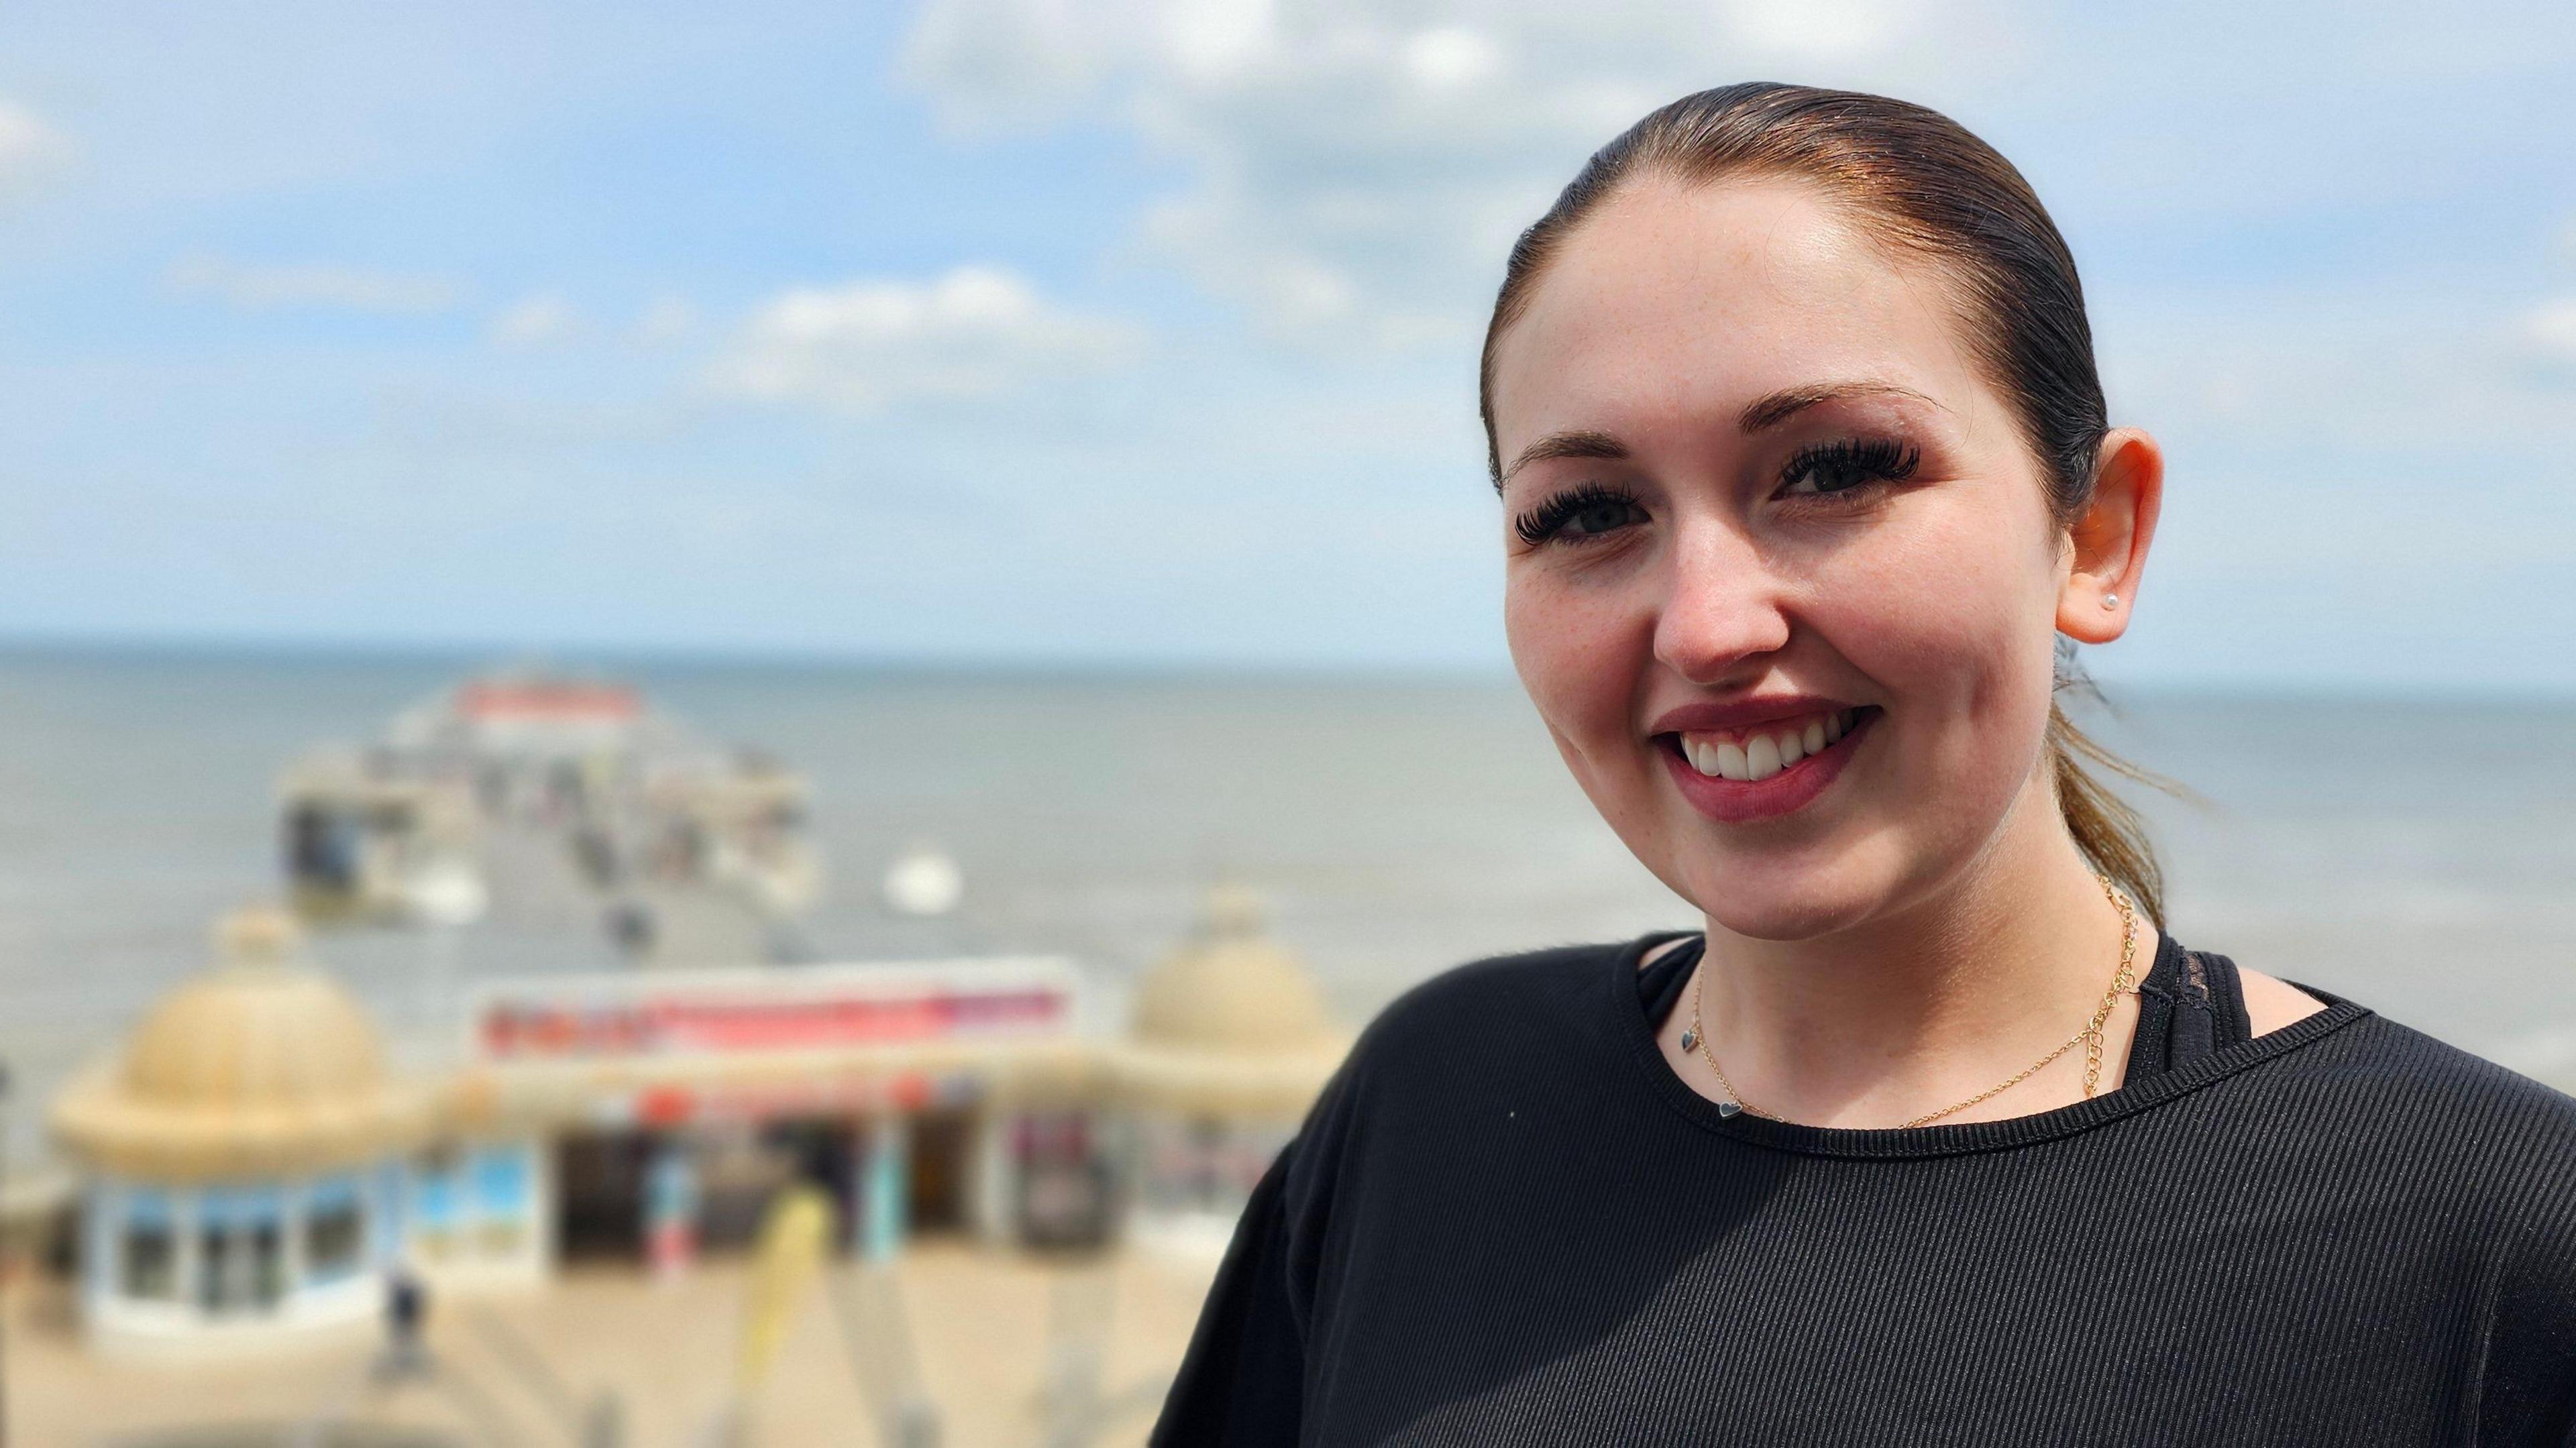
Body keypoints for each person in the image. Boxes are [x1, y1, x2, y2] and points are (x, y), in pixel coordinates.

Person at [1149, 82, 2576, 1445]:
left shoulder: (2490, 1236)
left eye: (1833, 470)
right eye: (1587, 510)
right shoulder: (1437, 1103)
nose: (1709, 626)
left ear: (2094, 535)